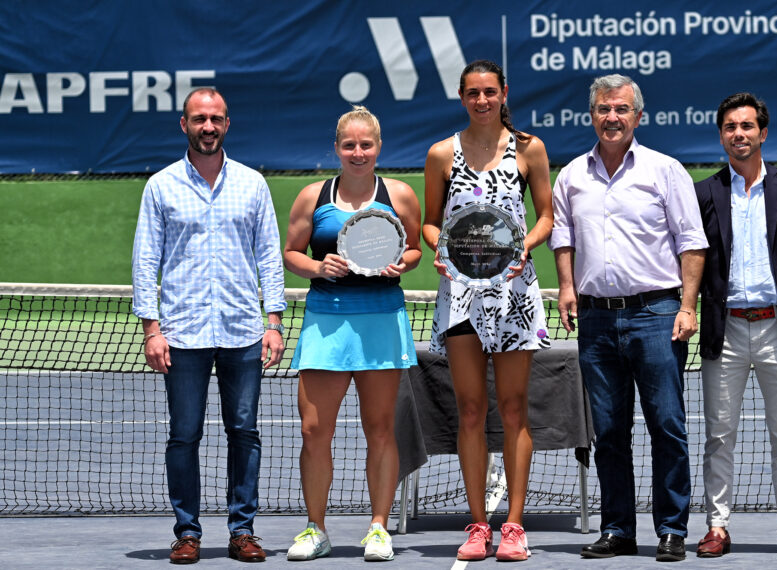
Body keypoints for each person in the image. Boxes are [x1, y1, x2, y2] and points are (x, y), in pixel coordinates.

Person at [552, 74, 708, 562]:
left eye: (621, 109)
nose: (612, 117)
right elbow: (563, 237)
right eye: (604, 109)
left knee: (667, 426)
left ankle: (672, 529)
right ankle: (618, 529)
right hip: (595, 320)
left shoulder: (666, 170)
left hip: (657, 314)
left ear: (638, 116)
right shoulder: (571, 175)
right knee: (609, 433)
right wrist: (567, 287)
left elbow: (692, 242)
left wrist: (687, 306)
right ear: (591, 115)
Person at [131, 87, 285, 564]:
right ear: (185, 124)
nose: (208, 127)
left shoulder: (253, 184)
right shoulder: (160, 186)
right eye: (199, 119)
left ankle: (243, 531)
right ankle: (187, 533)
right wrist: (152, 329)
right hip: (182, 333)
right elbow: (145, 260)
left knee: (245, 433)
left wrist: (274, 321)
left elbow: (269, 256)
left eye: (216, 118)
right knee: (184, 436)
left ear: (227, 123)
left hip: (243, 331)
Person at [422, 59, 553, 562]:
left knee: (515, 409)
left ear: (503, 94)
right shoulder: (441, 153)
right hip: (460, 295)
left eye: (489, 92)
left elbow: (546, 216)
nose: (482, 100)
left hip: (515, 294)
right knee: (472, 410)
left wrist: (525, 246)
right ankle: (478, 525)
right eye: (473, 93)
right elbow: (430, 223)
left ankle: (514, 526)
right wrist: (439, 248)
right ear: (462, 97)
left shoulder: (529, 148)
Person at [281, 106, 422, 561]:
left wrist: (402, 263)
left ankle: (378, 528)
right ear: (337, 149)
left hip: (381, 320)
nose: (357, 153)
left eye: (366, 145)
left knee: (380, 429)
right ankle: (316, 529)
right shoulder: (312, 196)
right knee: (313, 430)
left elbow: (415, 248)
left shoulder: (400, 194)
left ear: (378, 147)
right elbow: (291, 253)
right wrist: (317, 266)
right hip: (326, 322)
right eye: (349, 145)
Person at [692, 93, 777, 558]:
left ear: (763, 133)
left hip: (776, 329)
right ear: (721, 135)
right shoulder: (703, 193)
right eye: (730, 127)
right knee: (719, 435)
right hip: (723, 331)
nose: (739, 134)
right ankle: (717, 527)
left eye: (747, 126)